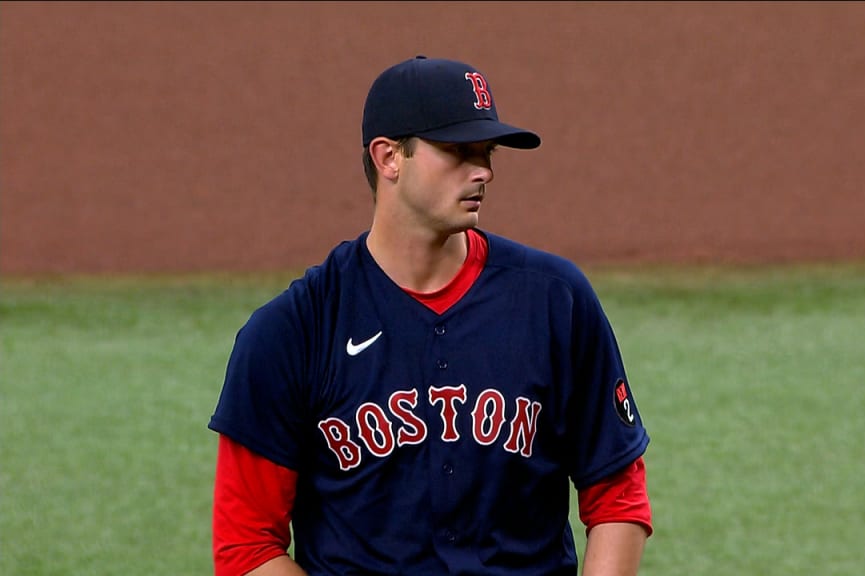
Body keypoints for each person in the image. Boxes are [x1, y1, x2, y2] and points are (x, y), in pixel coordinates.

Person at [209, 55, 652, 576]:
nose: (483, 169)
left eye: (485, 151)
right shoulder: (292, 331)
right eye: (457, 151)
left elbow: (617, 495)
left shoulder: (555, 300)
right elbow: (246, 544)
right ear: (390, 157)